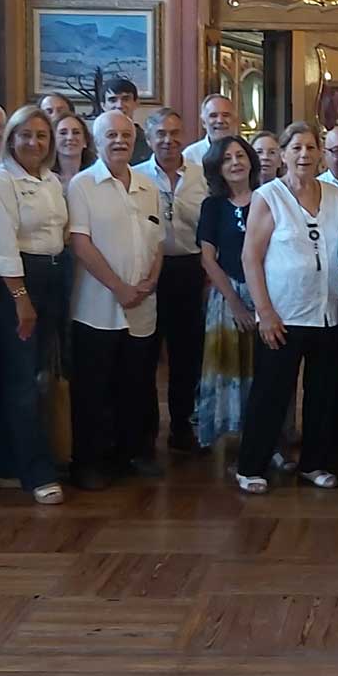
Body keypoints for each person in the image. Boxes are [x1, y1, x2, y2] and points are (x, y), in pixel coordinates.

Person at [236, 123, 338, 493]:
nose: (304, 155)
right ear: (282, 154)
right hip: (283, 315)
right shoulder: (269, 196)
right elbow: (251, 257)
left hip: (328, 314)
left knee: (324, 394)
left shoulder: (336, 196)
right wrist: (264, 312)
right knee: (271, 393)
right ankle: (251, 465)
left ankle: (313, 464)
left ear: (320, 154)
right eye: (296, 148)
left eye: (311, 148)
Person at [66, 110, 164, 488]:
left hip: (142, 305)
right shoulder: (82, 185)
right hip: (97, 307)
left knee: (135, 384)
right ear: (96, 140)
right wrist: (118, 287)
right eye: (111, 135)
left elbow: (157, 239)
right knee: (93, 388)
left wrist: (151, 280)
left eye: (126, 134)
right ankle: (88, 462)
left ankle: (129, 454)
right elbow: (81, 242)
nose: (120, 141)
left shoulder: (147, 185)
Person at [0, 105, 68, 505]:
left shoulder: (51, 180)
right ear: (11, 139)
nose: (33, 143)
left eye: (41, 136)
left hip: (54, 275)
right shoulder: (1, 180)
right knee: (21, 380)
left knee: (37, 374)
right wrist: (21, 298)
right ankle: (37, 472)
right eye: (25, 135)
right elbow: (2, 243)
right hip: (19, 281)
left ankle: (7, 461)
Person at [135, 108, 210, 453]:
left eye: (175, 132)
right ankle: (144, 433)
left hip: (191, 269)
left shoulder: (203, 175)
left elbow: (211, 228)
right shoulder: (135, 177)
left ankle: (183, 427)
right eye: (161, 134)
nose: (169, 140)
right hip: (148, 271)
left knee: (187, 354)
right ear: (149, 139)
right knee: (145, 353)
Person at [195, 134, 262, 448]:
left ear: (250, 160)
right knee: (227, 367)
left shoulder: (268, 197)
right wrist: (235, 303)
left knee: (263, 370)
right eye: (227, 159)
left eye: (240, 156)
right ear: (217, 168)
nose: (235, 163)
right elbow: (208, 259)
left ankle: (264, 438)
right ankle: (224, 435)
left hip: (266, 294)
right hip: (227, 297)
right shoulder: (213, 206)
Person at [99, 77, 154, 163]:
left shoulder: (149, 142)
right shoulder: (91, 142)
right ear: (103, 106)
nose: (119, 105)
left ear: (136, 103)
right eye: (113, 100)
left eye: (125, 99)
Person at [183, 94, 238, 168]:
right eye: (213, 115)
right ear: (203, 122)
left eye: (225, 115)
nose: (220, 121)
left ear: (235, 120)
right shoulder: (190, 156)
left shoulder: (247, 152)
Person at [54, 112, 95, 185]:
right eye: (63, 133)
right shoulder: (45, 179)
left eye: (76, 132)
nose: (70, 137)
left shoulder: (96, 177)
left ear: (85, 141)